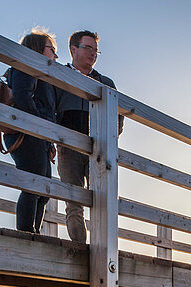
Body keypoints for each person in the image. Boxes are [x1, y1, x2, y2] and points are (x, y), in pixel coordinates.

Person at [55, 30, 122, 243]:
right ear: (73, 49)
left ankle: (102, 249)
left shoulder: (105, 83)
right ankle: (80, 248)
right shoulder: (59, 76)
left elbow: (118, 118)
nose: (93, 54)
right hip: (68, 148)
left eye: (96, 50)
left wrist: (111, 140)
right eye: (88, 48)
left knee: (104, 202)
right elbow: (49, 109)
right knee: (73, 201)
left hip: (99, 151)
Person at [4, 29, 57, 233]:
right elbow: (22, 97)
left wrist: (49, 142)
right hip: (26, 135)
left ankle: (34, 232)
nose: (54, 55)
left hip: (39, 136)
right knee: (34, 185)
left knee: (43, 191)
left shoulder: (42, 76)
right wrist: (38, 128)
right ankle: (27, 233)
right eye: (51, 49)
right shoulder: (25, 67)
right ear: (36, 48)